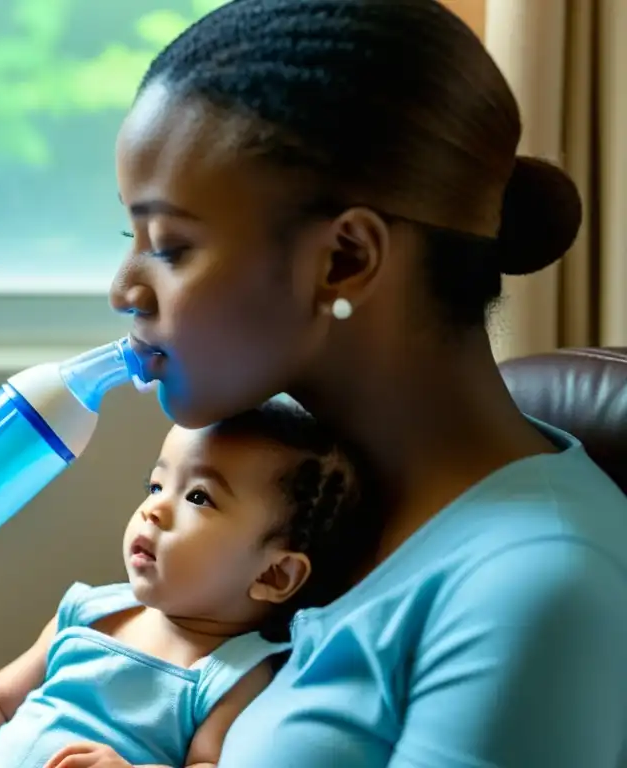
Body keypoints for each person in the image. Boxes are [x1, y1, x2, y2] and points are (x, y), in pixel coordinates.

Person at [87, 0, 626, 766]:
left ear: (344, 260)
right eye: (129, 238)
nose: (124, 288)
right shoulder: (304, 513)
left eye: (170, 245)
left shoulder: (536, 590)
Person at [0, 399, 376, 767]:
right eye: (157, 483)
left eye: (198, 498)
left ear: (273, 573)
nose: (154, 509)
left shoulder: (235, 675)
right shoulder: (88, 612)